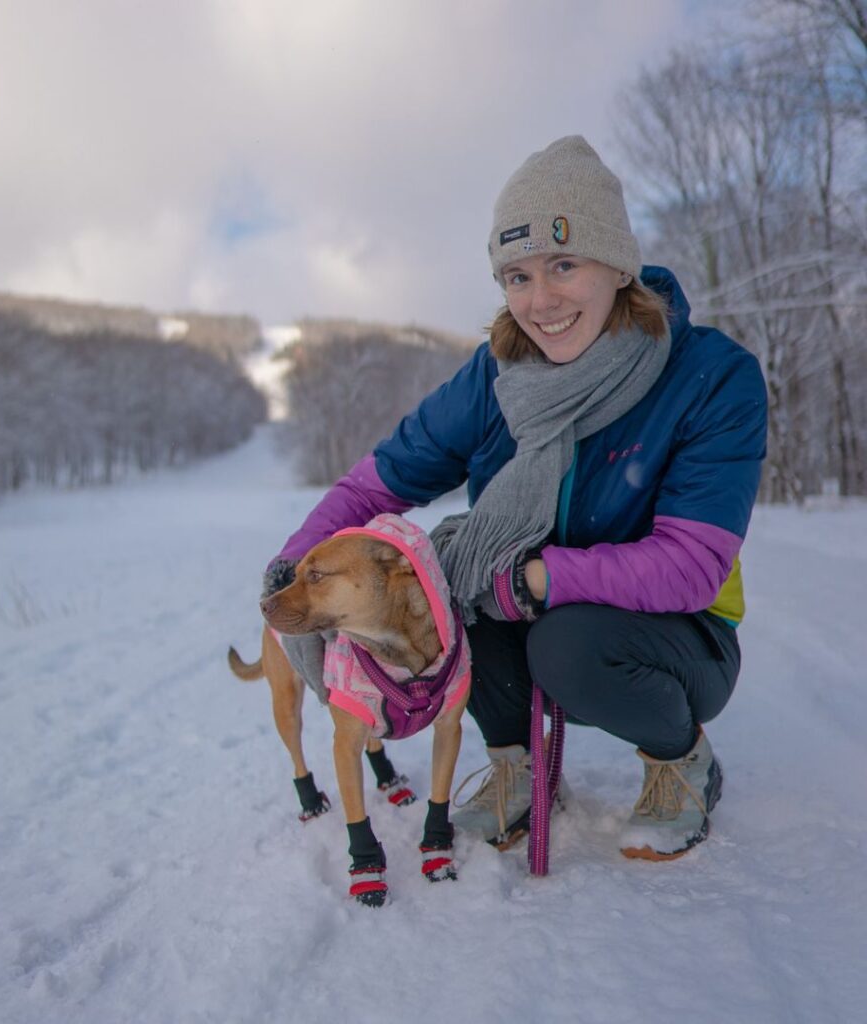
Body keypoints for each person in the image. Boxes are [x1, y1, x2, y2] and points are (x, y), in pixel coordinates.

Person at [264, 135, 767, 867]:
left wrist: (536, 577)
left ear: (617, 266)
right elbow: (379, 481)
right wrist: (290, 562)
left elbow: (689, 565)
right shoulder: (496, 374)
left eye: (564, 265)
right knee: (446, 591)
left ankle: (680, 760)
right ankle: (517, 765)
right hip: (530, 598)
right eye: (518, 276)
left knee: (565, 641)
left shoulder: (712, 377)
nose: (541, 300)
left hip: (677, 632)